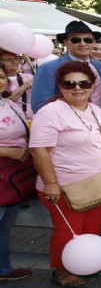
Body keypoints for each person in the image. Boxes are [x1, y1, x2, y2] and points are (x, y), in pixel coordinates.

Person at [30, 61, 101, 287]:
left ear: (93, 85)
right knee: (69, 231)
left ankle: (87, 261)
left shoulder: (95, 109)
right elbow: (39, 151)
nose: (77, 88)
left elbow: (100, 140)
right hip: (65, 186)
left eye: (83, 83)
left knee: (93, 228)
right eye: (70, 83)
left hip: (97, 182)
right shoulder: (50, 112)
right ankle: (61, 269)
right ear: (60, 86)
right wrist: (51, 183)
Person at [32, 21, 101, 113]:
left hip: (99, 122)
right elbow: (40, 106)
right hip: (67, 124)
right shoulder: (48, 68)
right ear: (66, 42)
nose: (82, 43)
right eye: (76, 40)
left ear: (94, 42)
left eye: (88, 40)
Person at [0, 62, 33, 282]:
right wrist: (10, 152)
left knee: (4, 226)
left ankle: (3, 268)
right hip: (5, 167)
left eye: (1, 76)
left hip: (12, 175)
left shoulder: (6, 103)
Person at [0, 49, 33, 119]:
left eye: (16, 58)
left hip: (32, 118)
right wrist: (25, 86)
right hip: (10, 120)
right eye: (8, 59)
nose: (14, 62)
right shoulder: (1, 81)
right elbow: (3, 103)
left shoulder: (29, 77)